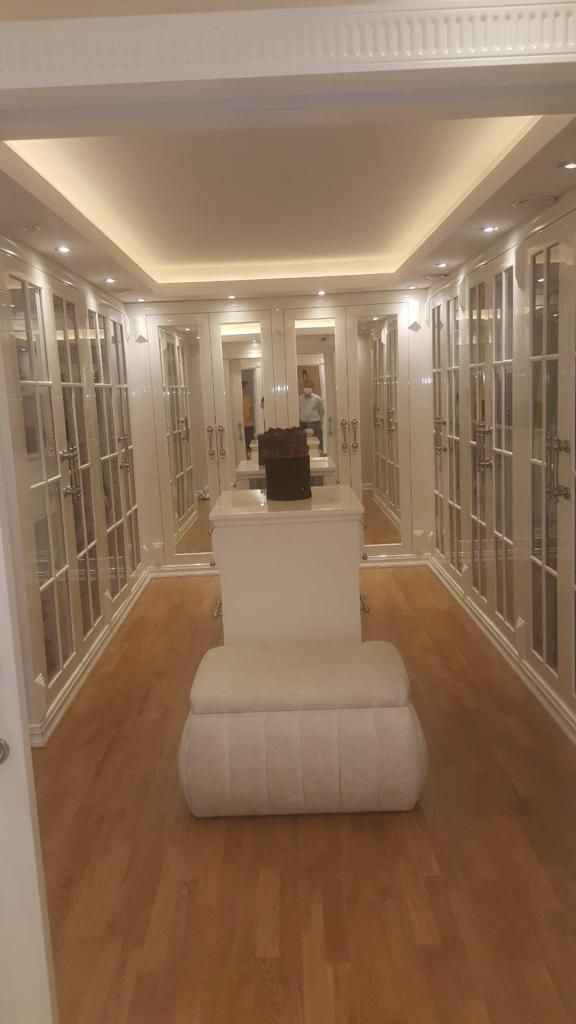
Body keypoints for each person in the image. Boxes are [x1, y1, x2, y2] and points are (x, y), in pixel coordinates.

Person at [298, 381, 325, 453]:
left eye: (309, 387)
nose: (307, 388)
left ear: (312, 388)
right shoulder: (299, 398)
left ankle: (320, 452)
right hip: (303, 422)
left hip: (315, 422)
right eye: (306, 387)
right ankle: (304, 453)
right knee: (302, 440)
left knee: (318, 439)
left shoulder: (317, 398)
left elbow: (322, 411)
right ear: (303, 388)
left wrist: (321, 421)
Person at [242, 380, 254, 456]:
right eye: (247, 387)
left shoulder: (247, 398)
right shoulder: (239, 398)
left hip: (249, 423)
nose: (248, 388)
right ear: (243, 387)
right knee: (245, 442)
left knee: (249, 441)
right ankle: (246, 455)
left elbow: (250, 409)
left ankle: (249, 455)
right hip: (243, 424)